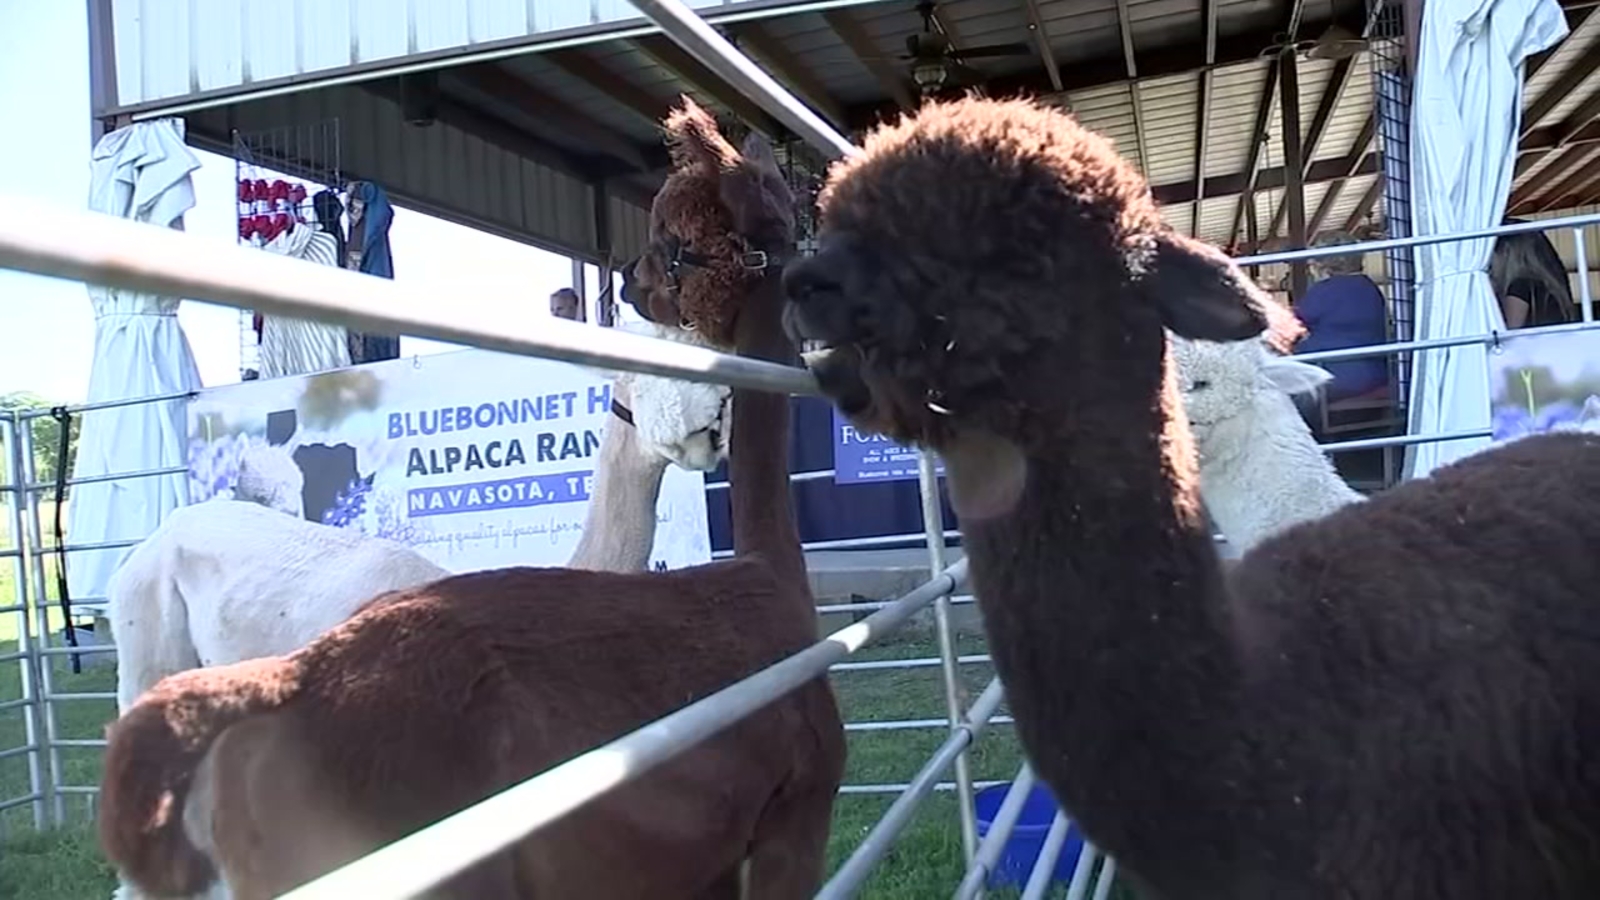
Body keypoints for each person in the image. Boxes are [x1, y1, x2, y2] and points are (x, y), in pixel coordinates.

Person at [1292, 231, 1391, 406]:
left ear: (1323, 263)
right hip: (1376, 371)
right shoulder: (1369, 287)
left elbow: (1292, 323)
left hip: (1336, 374)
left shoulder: (1325, 291)